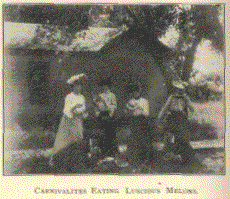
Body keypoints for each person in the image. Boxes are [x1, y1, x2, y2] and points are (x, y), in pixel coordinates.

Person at [49, 73, 89, 167]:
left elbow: (83, 109)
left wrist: (83, 114)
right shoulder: (69, 97)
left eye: (80, 86)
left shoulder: (82, 97)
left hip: (78, 121)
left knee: (78, 138)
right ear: (73, 87)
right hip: (68, 121)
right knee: (65, 140)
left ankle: (76, 159)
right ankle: (60, 159)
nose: (79, 88)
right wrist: (73, 108)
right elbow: (66, 110)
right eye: (77, 86)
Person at [159, 80, 196, 164]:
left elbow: (192, 108)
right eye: (178, 89)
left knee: (181, 137)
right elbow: (165, 107)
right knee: (170, 136)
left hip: (181, 118)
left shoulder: (184, 97)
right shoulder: (172, 97)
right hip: (172, 117)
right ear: (175, 89)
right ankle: (169, 155)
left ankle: (184, 156)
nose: (179, 91)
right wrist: (160, 117)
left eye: (181, 89)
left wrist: (187, 101)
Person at [124, 83, 151, 168]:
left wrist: (140, 108)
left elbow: (147, 113)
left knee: (142, 140)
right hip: (133, 122)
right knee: (133, 140)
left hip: (142, 122)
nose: (135, 94)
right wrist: (128, 111)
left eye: (137, 92)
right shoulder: (130, 101)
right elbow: (128, 113)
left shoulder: (144, 101)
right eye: (134, 92)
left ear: (140, 92)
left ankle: (143, 160)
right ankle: (133, 160)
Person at [93, 77, 117, 163]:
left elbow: (114, 106)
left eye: (106, 86)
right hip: (101, 116)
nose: (105, 87)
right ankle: (102, 153)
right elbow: (96, 106)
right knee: (101, 134)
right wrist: (97, 111)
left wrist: (109, 110)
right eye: (103, 86)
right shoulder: (100, 95)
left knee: (109, 134)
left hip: (109, 116)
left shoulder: (112, 95)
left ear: (109, 86)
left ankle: (110, 154)